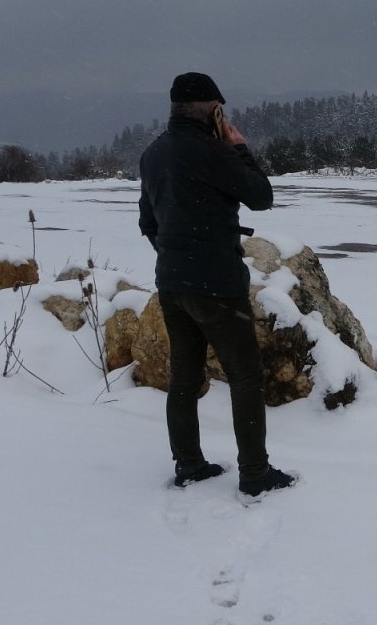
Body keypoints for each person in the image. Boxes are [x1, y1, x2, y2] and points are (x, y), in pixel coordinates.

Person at [138, 71, 296, 496]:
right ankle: (255, 473)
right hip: (217, 284)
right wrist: (240, 147)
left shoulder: (154, 153)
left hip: (172, 283)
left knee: (184, 378)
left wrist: (177, 254)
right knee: (246, 376)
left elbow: (147, 222)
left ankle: (189, 465)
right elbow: (261, 196)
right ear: (214, 109)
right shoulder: (212, 150)